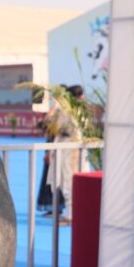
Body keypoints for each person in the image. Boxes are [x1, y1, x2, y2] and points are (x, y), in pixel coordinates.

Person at [44, 85, 83, 226]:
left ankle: (71, 216)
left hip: (69, 149)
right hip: (71, 147)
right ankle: (72, 214)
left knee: (68, 182)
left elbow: (51, 124)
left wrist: (55, 107)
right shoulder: (79, 110)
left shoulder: (68, 110)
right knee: (69, 181)